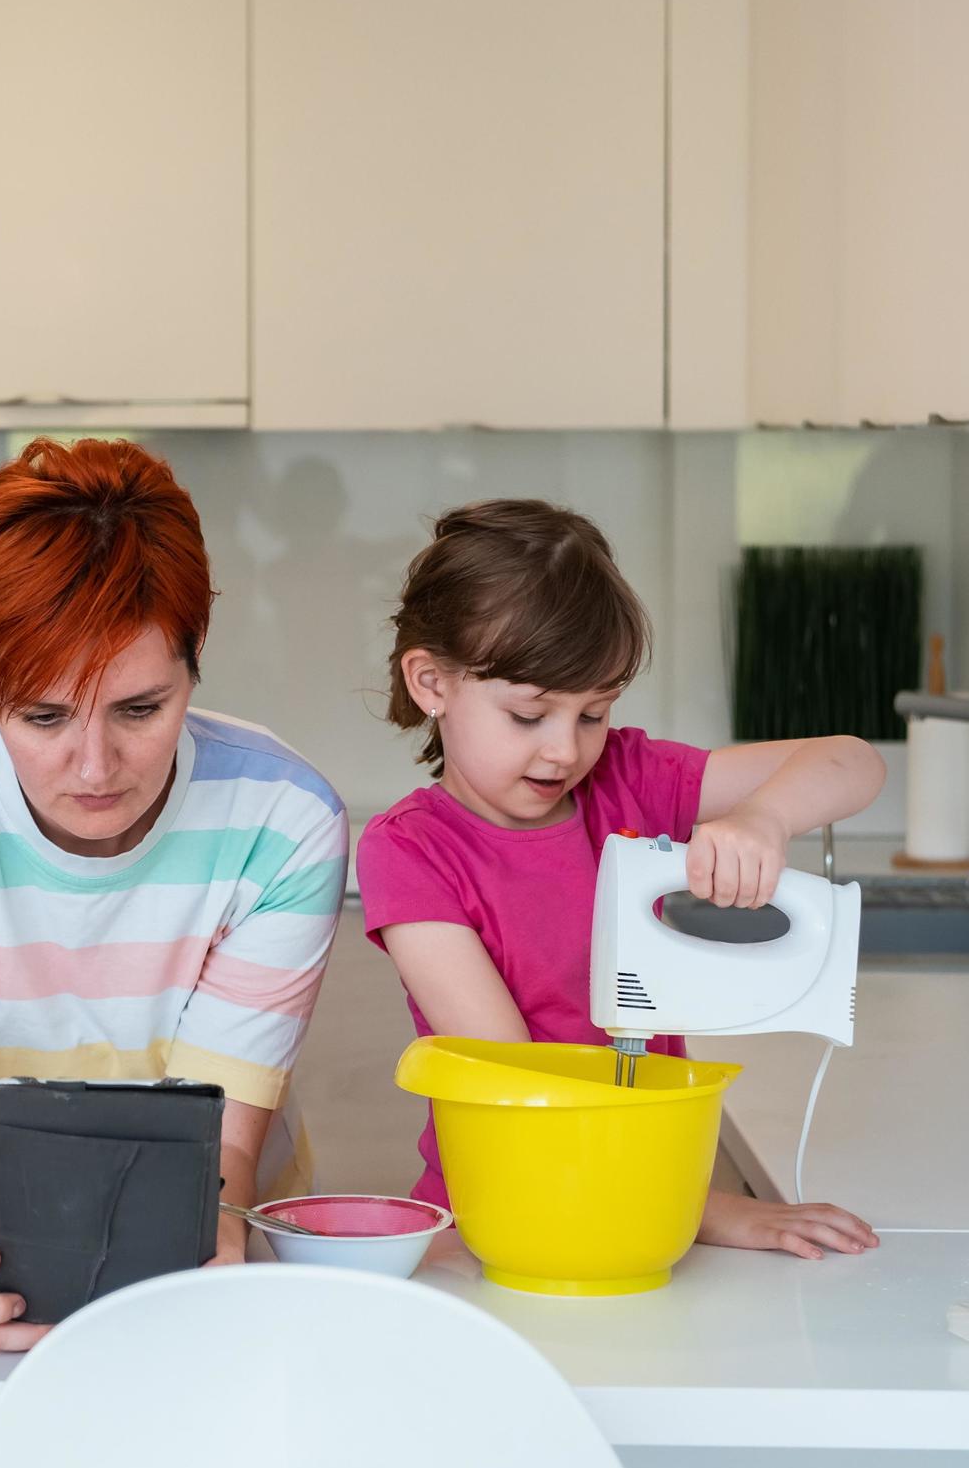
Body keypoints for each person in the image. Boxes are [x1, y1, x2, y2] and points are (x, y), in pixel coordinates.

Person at [0, 439, 348, 1351]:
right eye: (44, 716)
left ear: (195, 667)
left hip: (205, 1242)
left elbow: (218, 1135)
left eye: (140, 709)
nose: (96, 767)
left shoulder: (282, 819)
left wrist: (206, 1242)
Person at [358, 500, 885, 1259]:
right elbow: (525, 1086)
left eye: (593, 713)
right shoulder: (410, 852)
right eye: (528, 714)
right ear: (430, 682)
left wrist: (764, 819)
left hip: (647, 1197)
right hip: (510, 1208)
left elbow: (852, 761)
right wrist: (704, 1207)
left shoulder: (627, 782)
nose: (563, 752)